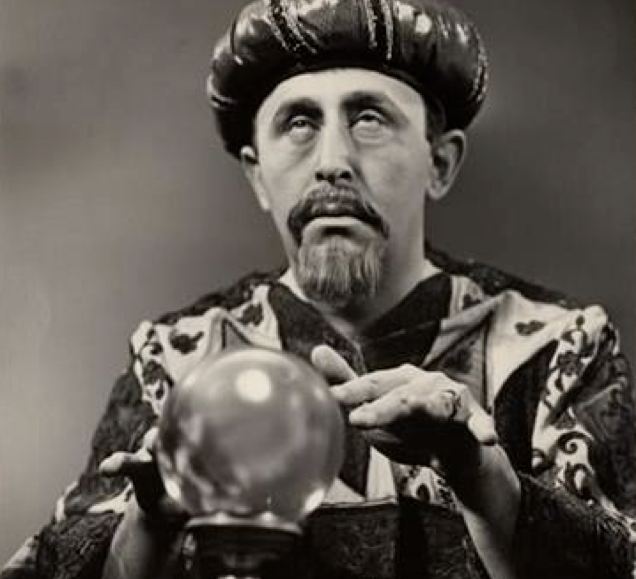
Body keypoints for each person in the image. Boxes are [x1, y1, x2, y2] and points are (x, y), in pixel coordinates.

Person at [2, 0, 635, 578]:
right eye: (299, 122)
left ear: (439, 163)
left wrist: (481, 476)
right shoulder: (177, 361)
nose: (333, 161)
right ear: (257, 177)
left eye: (369, 119)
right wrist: (153, 523)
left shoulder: (557, 347)